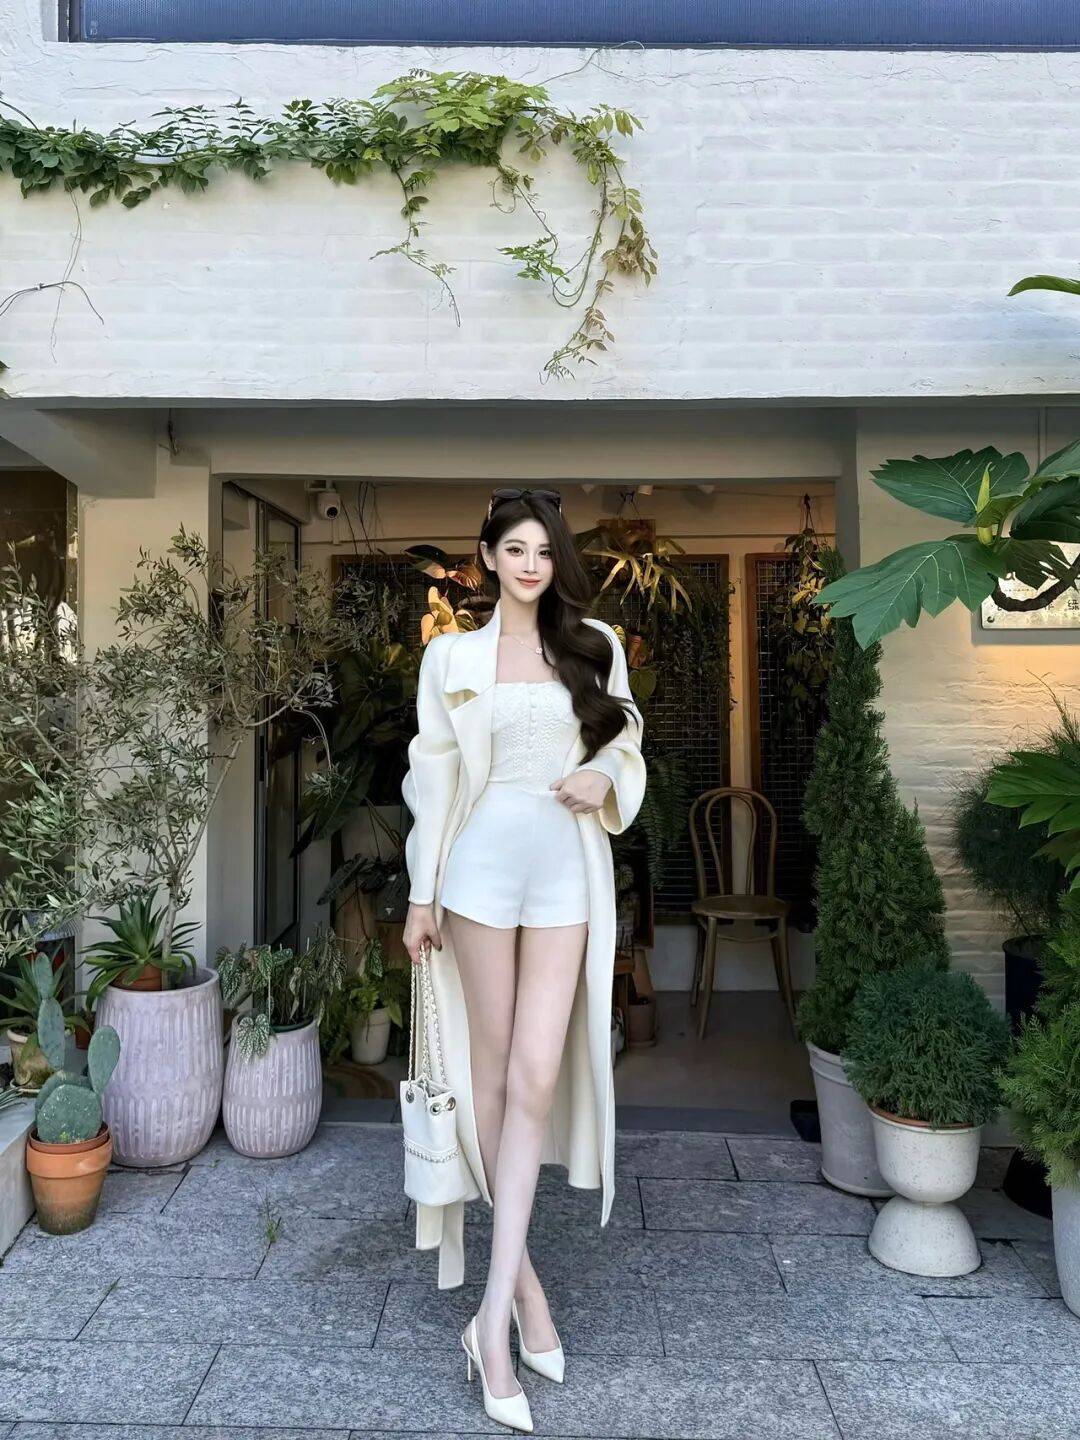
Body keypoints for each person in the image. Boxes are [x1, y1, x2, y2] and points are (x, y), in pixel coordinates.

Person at [401, 487, 647, 1433]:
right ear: (489, 557)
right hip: (477, 868)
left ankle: (493, 1314)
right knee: (495, 1079)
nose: (532, 565)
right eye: (515, 549)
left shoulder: (595, 644)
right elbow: (433, 778)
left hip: (565, 872)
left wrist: (602, 771)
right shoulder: (452, 656)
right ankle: (515, 1315)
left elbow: (627, 739)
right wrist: (422, 893)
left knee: (537, 1080)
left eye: (545, 550)